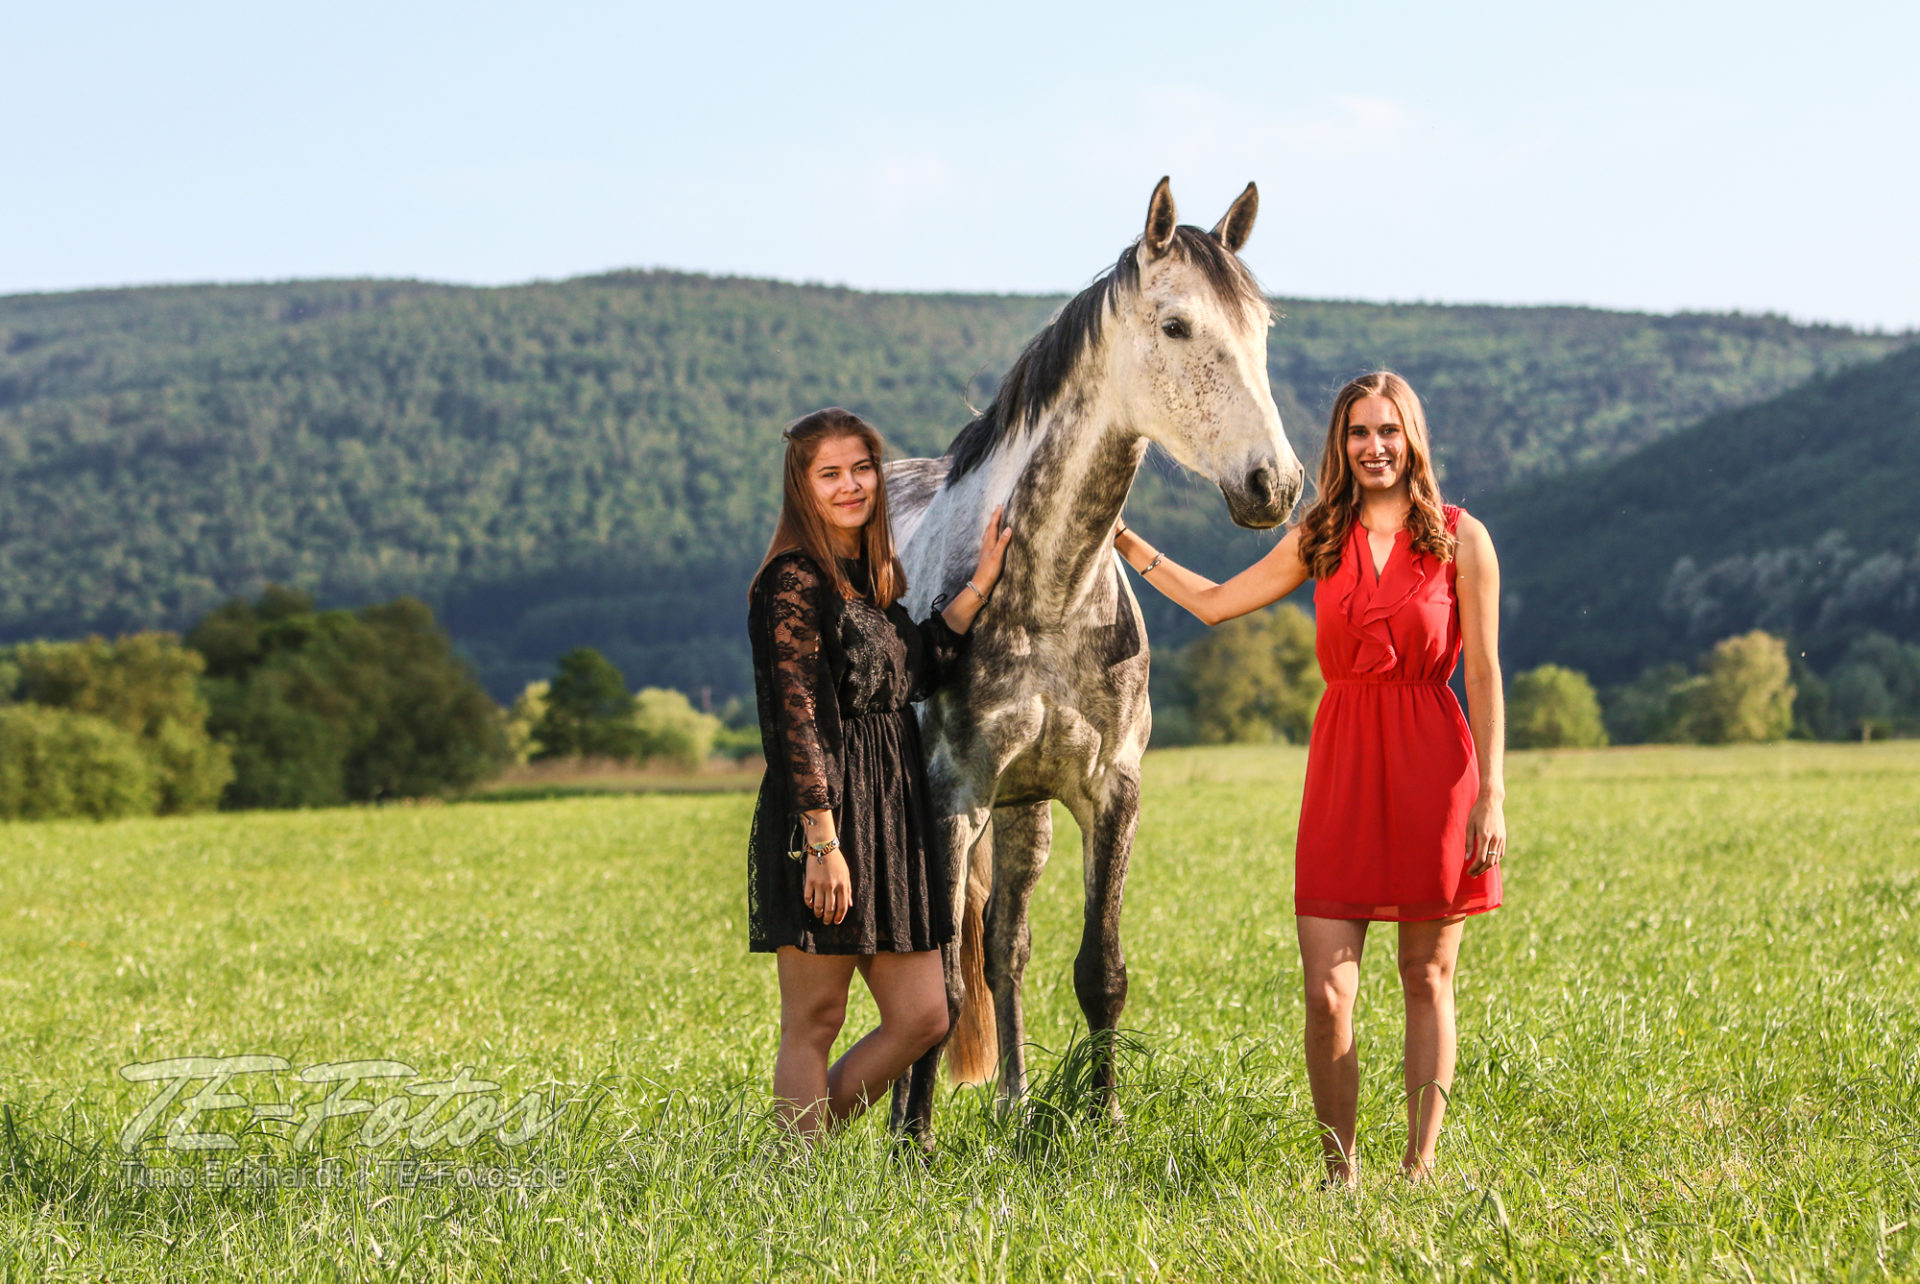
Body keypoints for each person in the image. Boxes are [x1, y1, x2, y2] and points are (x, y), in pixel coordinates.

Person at [1113, 371, 1506, 1186]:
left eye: (1389, 431)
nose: (1374, 447)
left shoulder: (1461, 538)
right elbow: (1217, 602)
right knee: (1327, 992)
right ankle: (1339, 1175)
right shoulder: (1319, 536)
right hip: (1343, 768)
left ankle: (1420, 1168)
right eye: (1359, 432)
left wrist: (1492, 795)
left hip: (1437, 770)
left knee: (1427, 977)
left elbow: (1486, 675)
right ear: (1340, 444)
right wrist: (1124, 541)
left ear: (1412, 439)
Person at [746, 406, 1012, 1139]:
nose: (851, 485)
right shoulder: (793, 580)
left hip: (892, 815)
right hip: (826, 813)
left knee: (924, 1014)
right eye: (830, 473)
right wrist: (822, 841)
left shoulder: (868, 581)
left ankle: (795, 1150)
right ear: (802, 486)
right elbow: (797, 716)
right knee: (815, 1018)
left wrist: (981, 583)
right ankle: (794, 1176)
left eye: (862, 468)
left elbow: (916, 668)